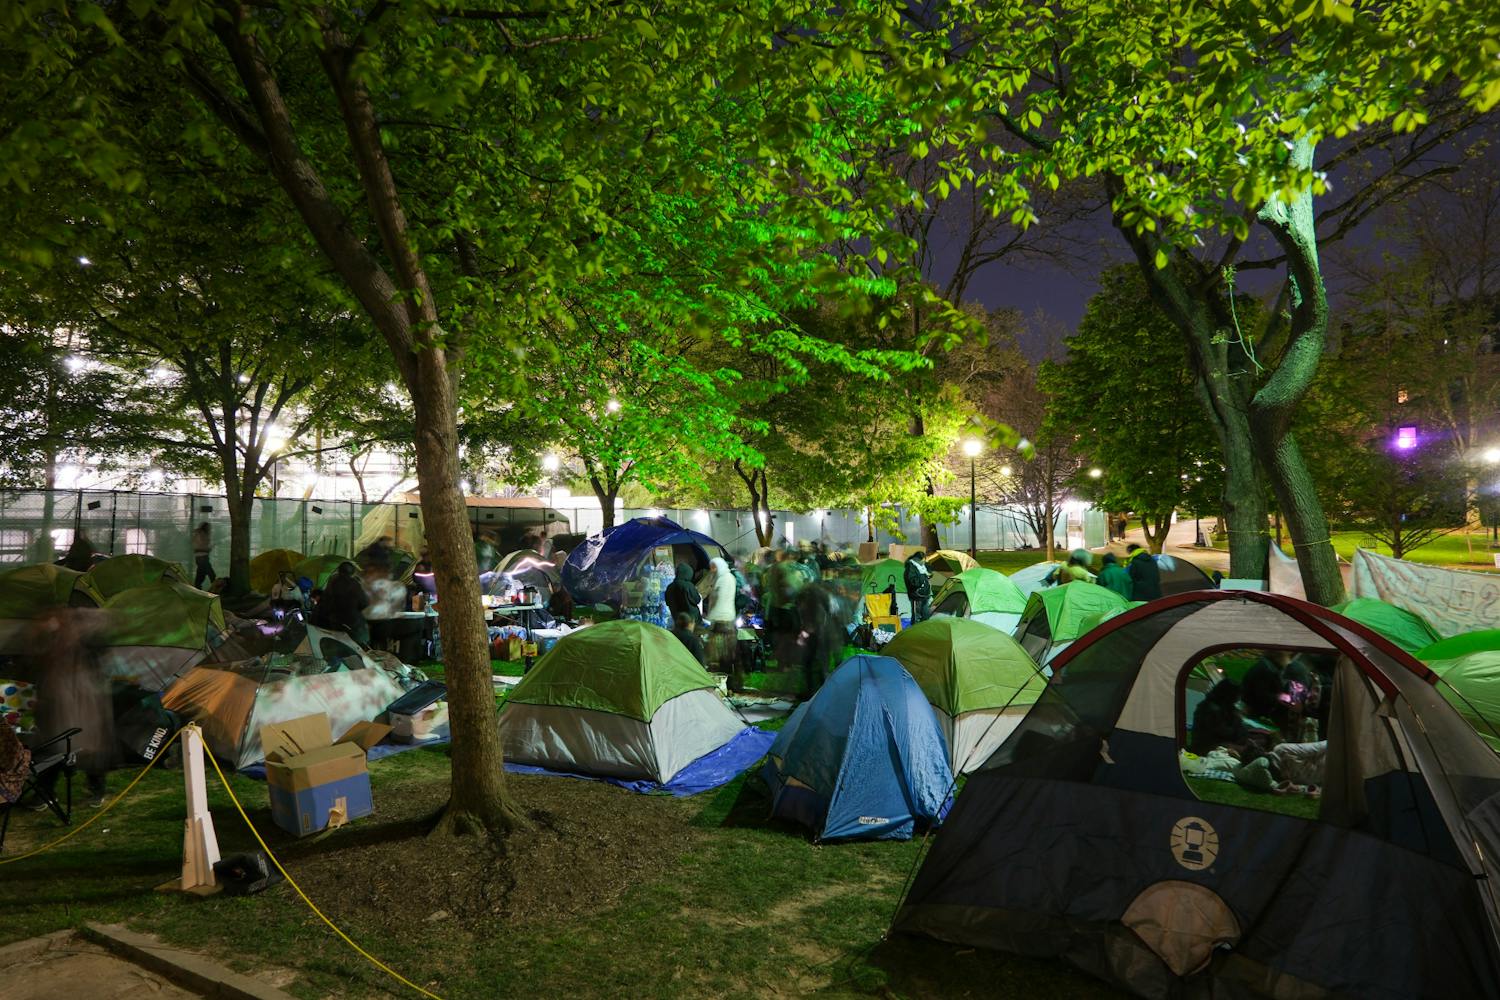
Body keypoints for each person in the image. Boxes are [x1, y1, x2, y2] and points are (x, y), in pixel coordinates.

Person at [26, 608, 116, 807]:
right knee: (54, 743)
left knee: (88, 745)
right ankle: (45, 791)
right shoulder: (52, 630)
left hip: (84, 696)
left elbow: (98, 654)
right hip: (59, 696)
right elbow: (39, 657)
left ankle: (96, 788)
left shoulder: (88, 625)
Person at [363, 565, 423, 662]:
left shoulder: (377, 586)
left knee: (379, 640)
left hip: (377, 620)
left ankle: (378, 654)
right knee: (382, 639)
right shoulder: (395, 587)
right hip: (384, 620)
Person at [796, 583, 841, 697]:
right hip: (824, 634)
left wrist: (806, 632)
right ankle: (818, 691)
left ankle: (816, 693)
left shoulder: (810, 598)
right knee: (819, 663)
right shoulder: (822, 597)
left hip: (820, 635)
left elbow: (814, 620)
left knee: (815, 663)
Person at [313, 561, 369, 644]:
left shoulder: (332, 583)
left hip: (335, 624)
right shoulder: (355, 584)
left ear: (339, 571)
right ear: (352, 572)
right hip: (354, 625)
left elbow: (325, 604)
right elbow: (364, 603)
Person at [703, 557, 738, 673]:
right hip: (726, 619)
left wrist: (710, 617)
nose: (711, 570)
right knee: (724, 652)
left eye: (713, 567)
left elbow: (720, 601)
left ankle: (725, 677)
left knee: (721, 652)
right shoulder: (725, 578)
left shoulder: (724, 580)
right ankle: (726, 676)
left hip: (722, 620)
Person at [904, 552, 933, 623]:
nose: (924, 561)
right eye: (923, 559)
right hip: (916, 596)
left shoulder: (922, 566)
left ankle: (924, 629)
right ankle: (915, 629)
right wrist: (923, 576)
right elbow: (913, 582)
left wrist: (928, 574)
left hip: (925, 594)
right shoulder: (911, 568)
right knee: (917, 615)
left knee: (926, 614)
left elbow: (928, 572)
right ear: (918, 559)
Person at [191, 522, 215, 588]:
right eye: (208, 527)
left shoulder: (199, 534)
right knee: (211, 575)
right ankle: (216, 590)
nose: (210, 529)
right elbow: (198, 546)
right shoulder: (200, 534)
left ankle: (197, 590)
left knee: (201, 576)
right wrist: (207, 549)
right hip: (202, 558)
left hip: (201, 557)